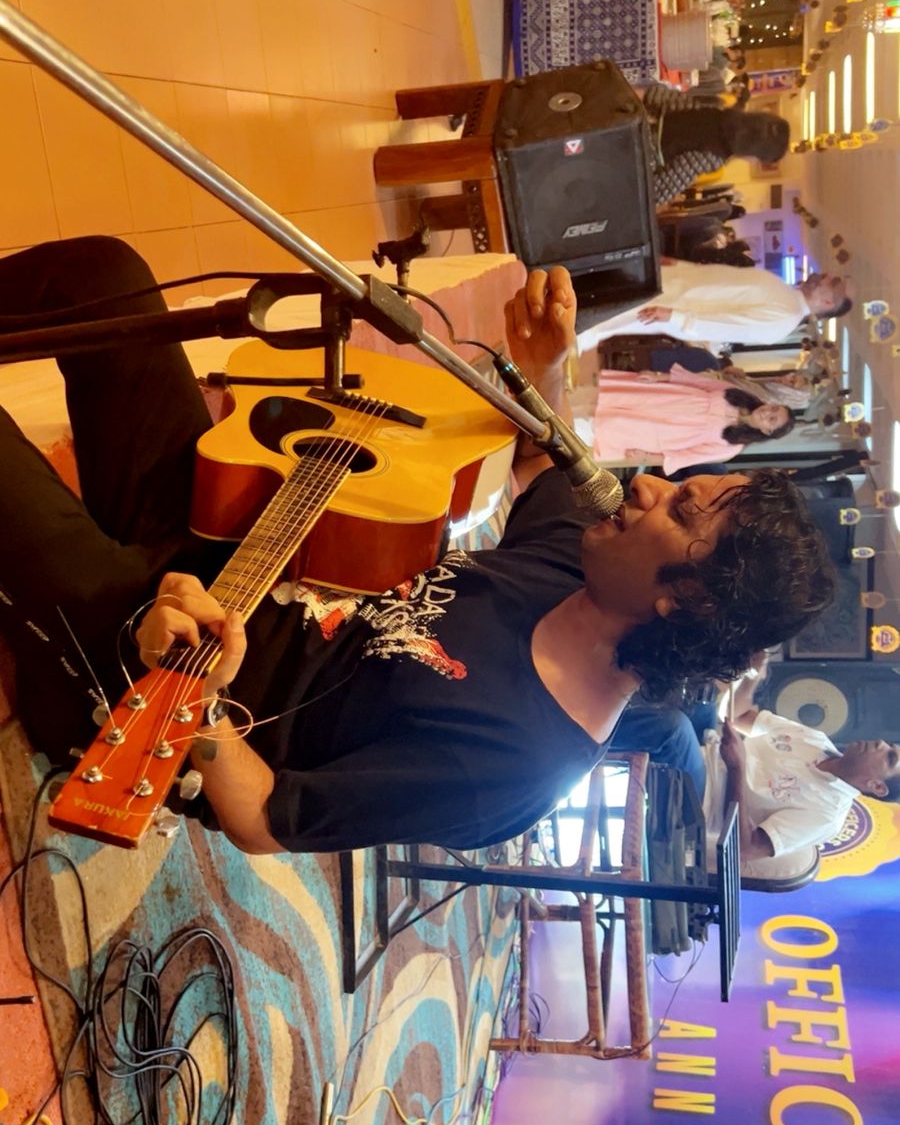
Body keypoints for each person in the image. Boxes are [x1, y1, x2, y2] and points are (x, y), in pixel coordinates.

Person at [0, 237, 834, 857]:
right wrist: (546, 367)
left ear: (682, 600)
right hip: (232, 533)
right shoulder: (577, 569)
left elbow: (264, 819)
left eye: (680, 509)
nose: (645, 484)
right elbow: (547, 459)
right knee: (102, 277)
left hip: (158, 670)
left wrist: (205, 707)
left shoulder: (517, 765)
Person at [615, 687, 900, 865]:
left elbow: (744, 849)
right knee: (698, 688)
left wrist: (737, 767)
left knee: (674, 729)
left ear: (877, 787)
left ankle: (593, 738)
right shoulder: (816, 739)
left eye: (890, 757)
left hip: (698, 800)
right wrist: (752, 675)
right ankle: (606, 699)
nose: (880, 744)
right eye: (890, 745)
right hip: (707, 750)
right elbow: (741, 717)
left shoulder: (827, 815)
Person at [576, 264, 853, 363]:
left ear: (828, 301)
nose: (823, 274)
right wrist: (681, 266)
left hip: (674, 305)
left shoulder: (784, 319)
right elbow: (724, 278)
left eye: (830, 281)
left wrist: (676, 316)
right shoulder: (784, 290)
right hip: (676, 286)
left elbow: (727, 326)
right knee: (603, 299)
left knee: (603, 320)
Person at [569, 365, 795, 475]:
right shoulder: (736, 394)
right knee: (591, 401)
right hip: (658, 399)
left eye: (772, 419)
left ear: (767, 432)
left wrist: (646, 457)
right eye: (773, 408)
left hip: (654, 430)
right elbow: (695, 381)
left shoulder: (730, 447)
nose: (767, 412)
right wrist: (659, 377)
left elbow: (686, 457)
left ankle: (554, 424)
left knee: (594, 426)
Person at [640, 85, 790, 210]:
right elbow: (657, 191)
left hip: (636, 122)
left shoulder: (715, 107)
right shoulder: (714, 156)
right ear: (753, 151)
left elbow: (655, 96)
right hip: (637, 158)